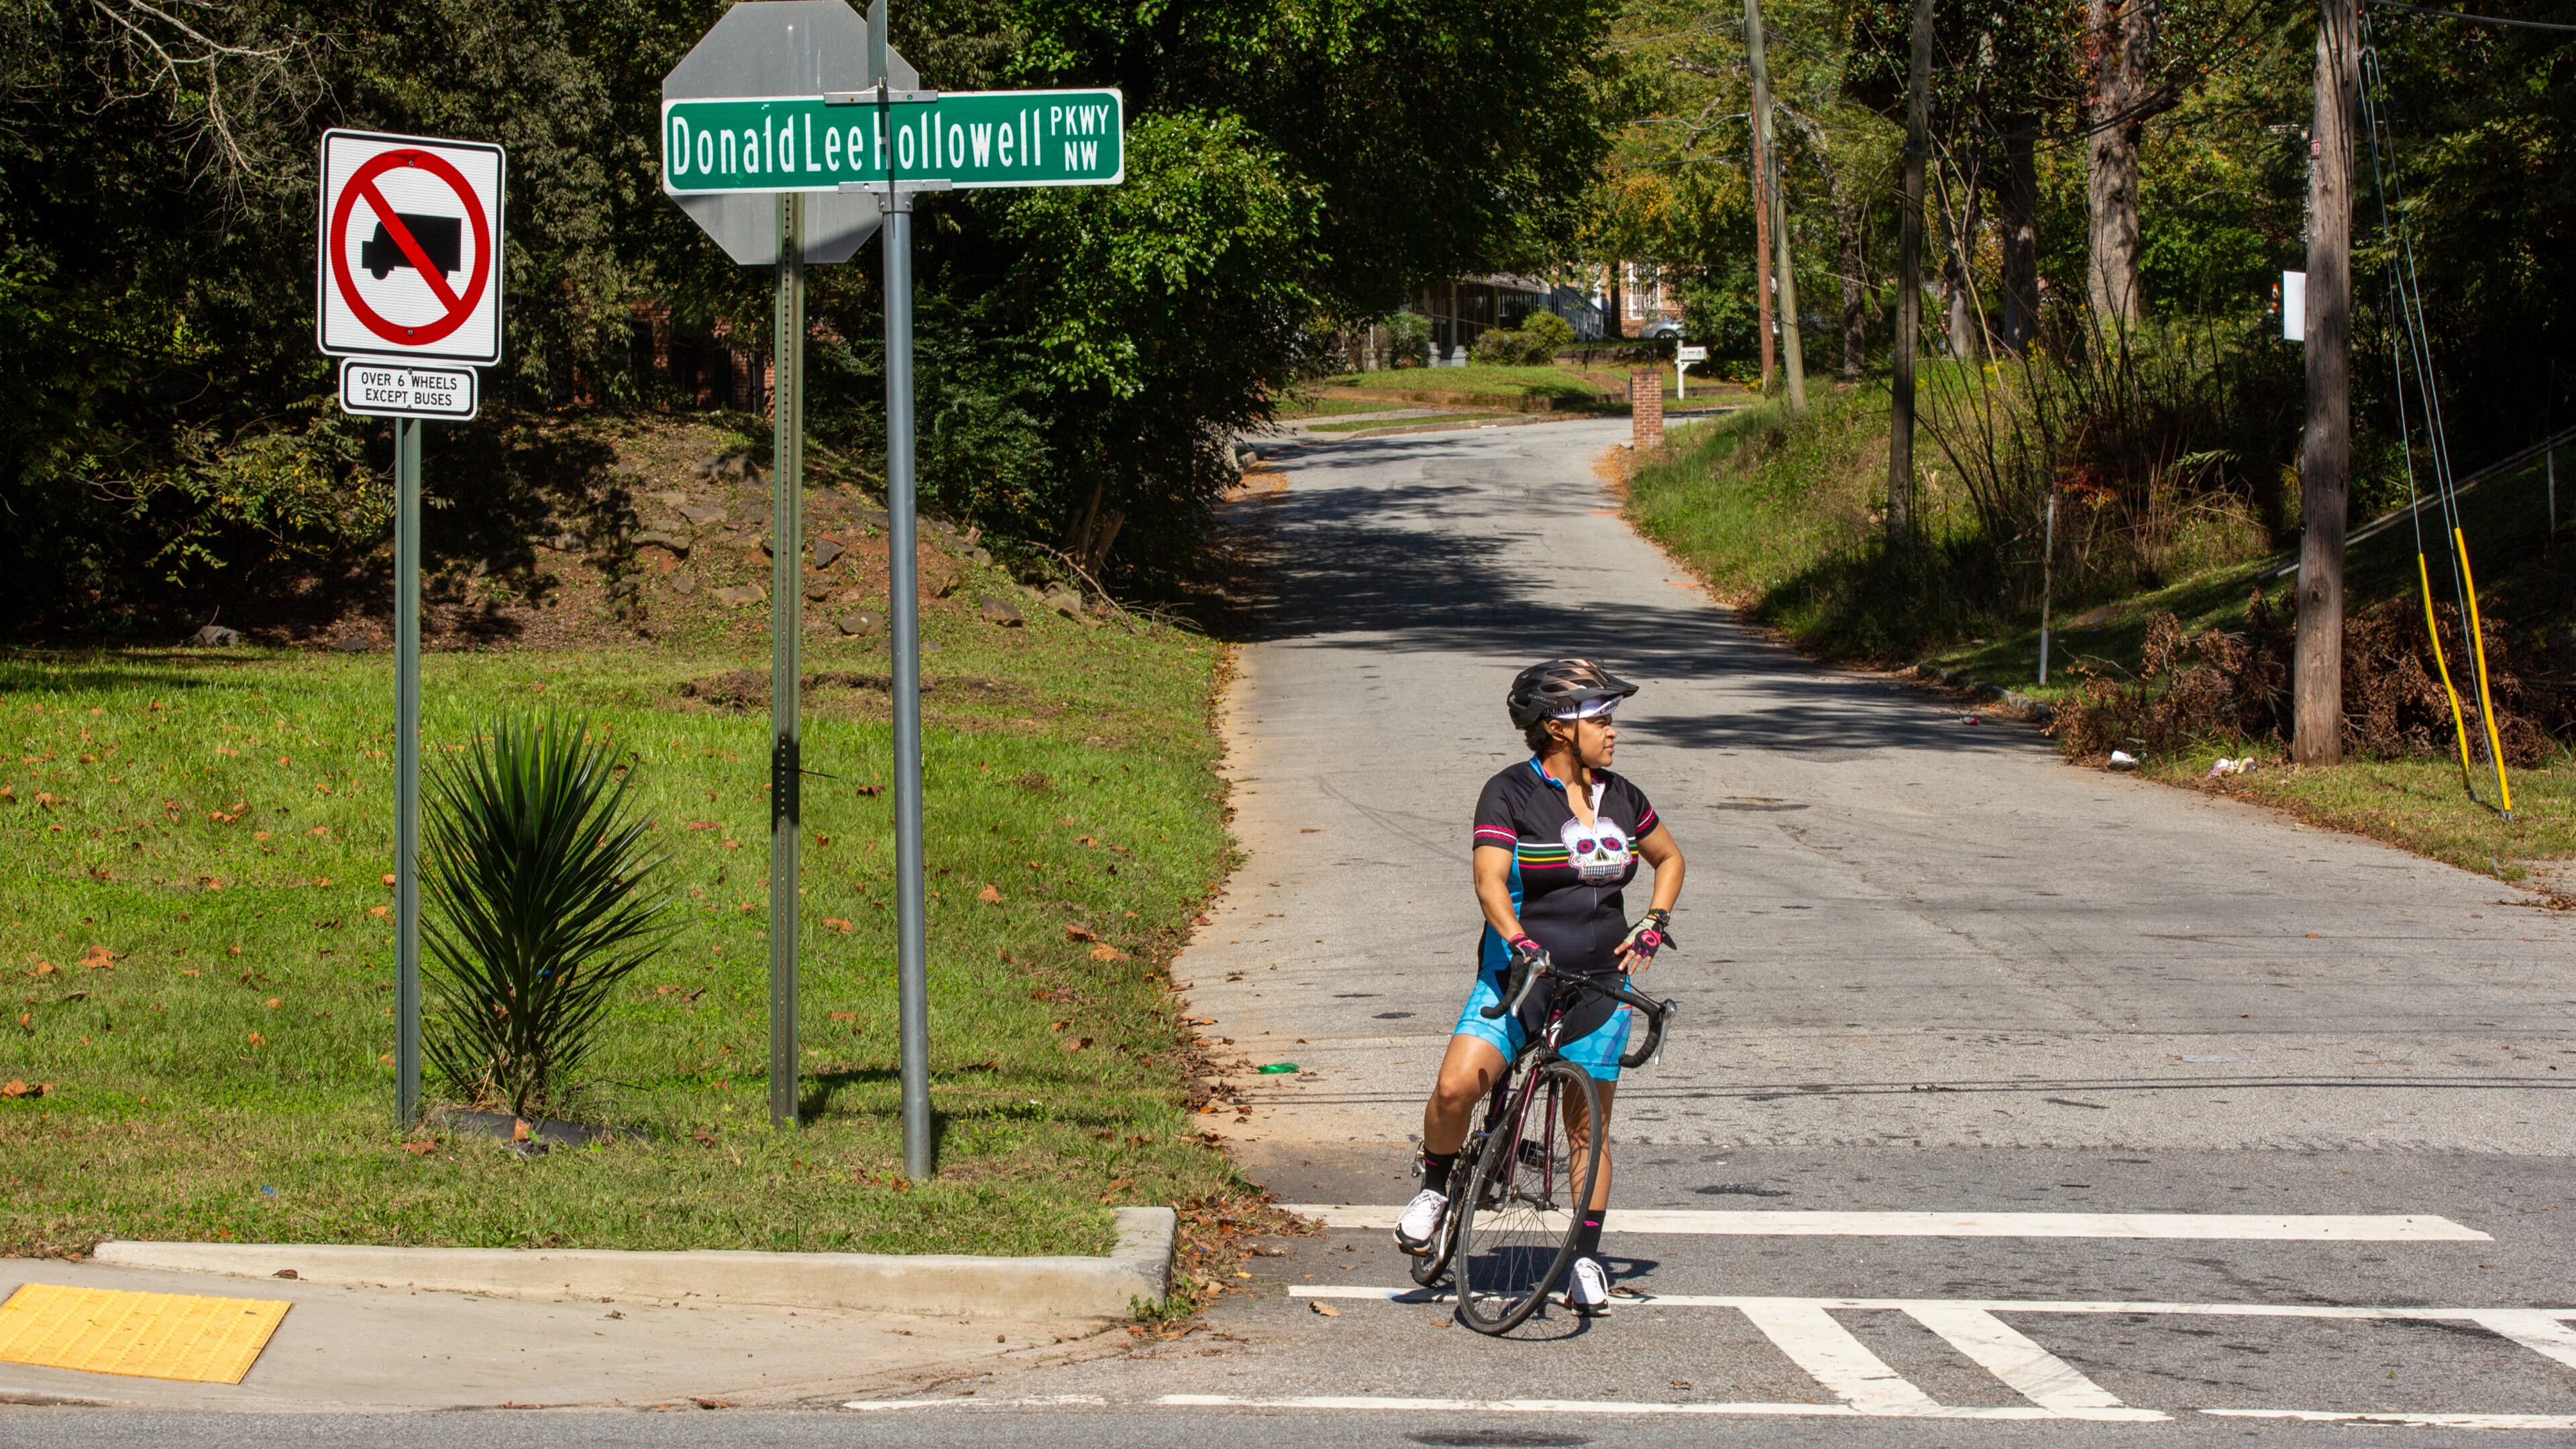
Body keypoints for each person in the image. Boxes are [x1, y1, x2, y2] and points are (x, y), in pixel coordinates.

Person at [1397, 657, 1684, 1313]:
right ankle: (1437, 1188)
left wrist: (1652, 922)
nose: (1612, 730)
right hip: (1518, 978)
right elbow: (1490, 881)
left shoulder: (1623, 797)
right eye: (1599, 718)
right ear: (1558, 727)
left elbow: (1670, 858)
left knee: (1589, 1130)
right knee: (1456, 1087)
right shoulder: (1510, 794)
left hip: (1599, 990)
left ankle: (1583, 1259)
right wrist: (1520, 940)